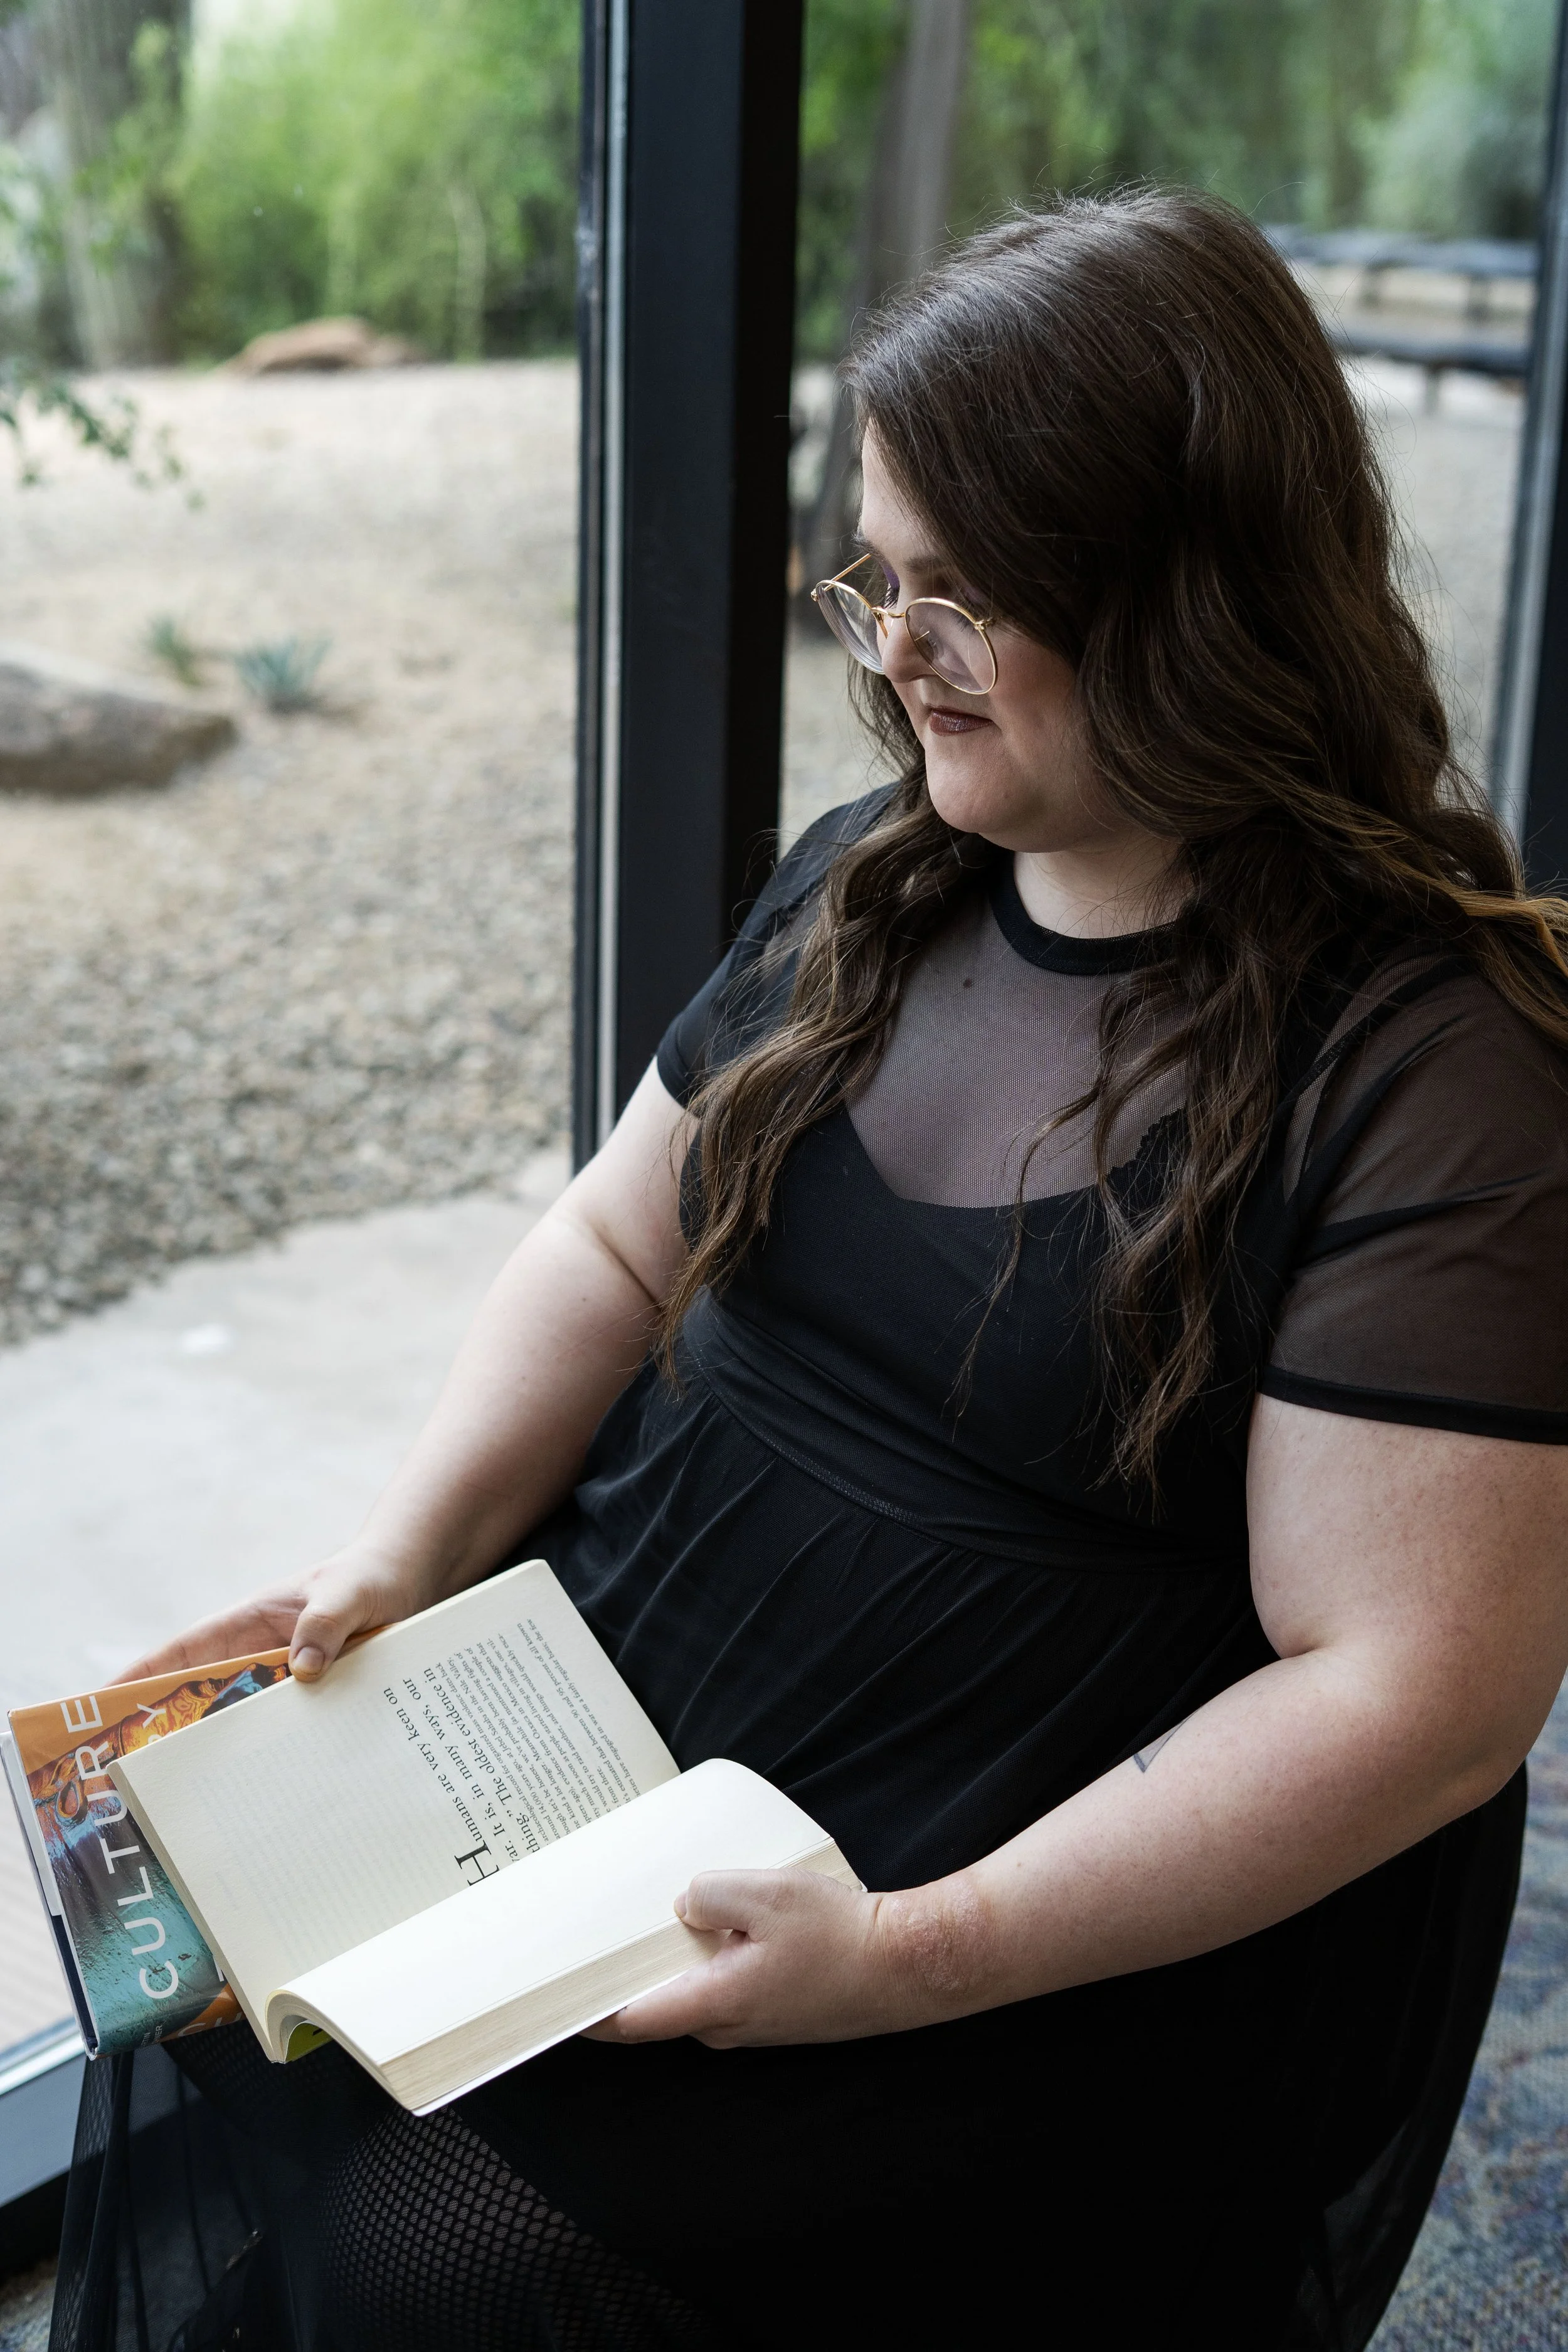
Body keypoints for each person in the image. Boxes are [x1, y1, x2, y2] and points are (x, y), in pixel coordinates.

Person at [51, 188, 1568, 2352]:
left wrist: (902, 1953)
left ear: (1189, 603)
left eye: (970, 595)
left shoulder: (1432, 1068)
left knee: (463, 2251)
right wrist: (396, 1559)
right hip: (639, 1689)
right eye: (882, 575)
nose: (891, 645)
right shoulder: (879, 883)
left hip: (1022, 1864)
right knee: (228, 1997)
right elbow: (607, 1238)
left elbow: (1412, 1697)